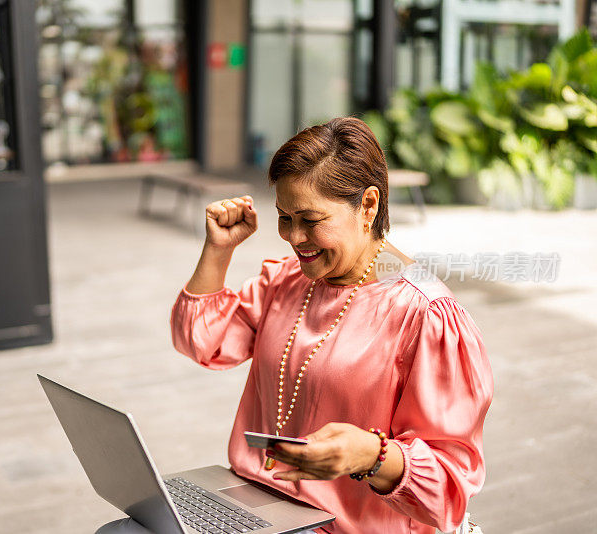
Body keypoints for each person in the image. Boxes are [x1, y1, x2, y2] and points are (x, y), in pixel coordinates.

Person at [169, 117, 493, 534]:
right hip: (255, 508)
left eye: (310, 219)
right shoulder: (287, 280)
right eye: (285, 217)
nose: (294, 237)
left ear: (368, 206)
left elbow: (449, 490)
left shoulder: (426, 315)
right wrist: (217, 250)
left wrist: (371, 456)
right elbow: (201, 342)